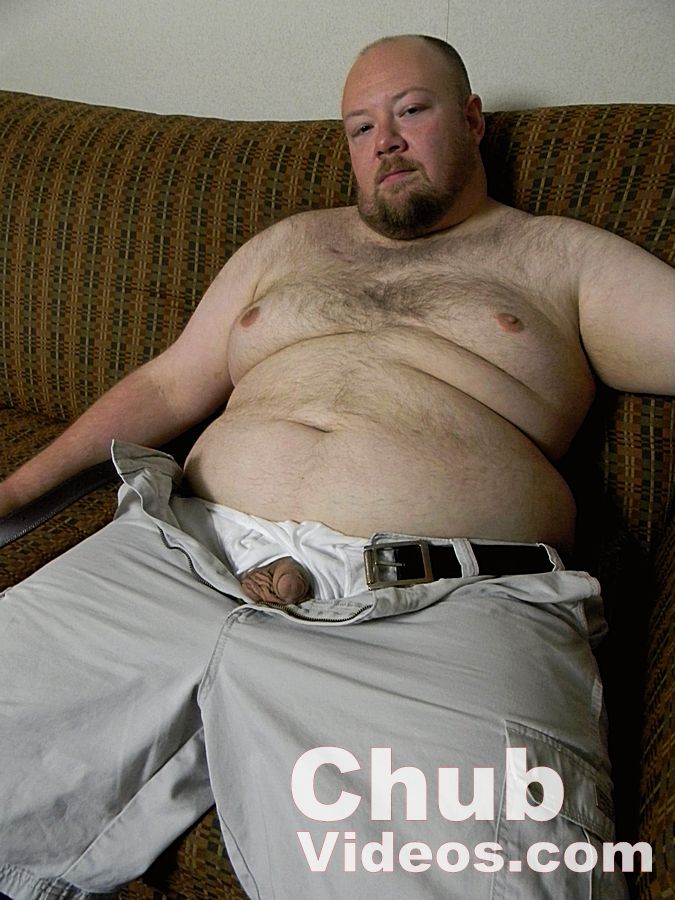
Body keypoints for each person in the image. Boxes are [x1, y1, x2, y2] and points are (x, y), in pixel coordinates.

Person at [0, 33, 672, 900]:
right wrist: (14, 491)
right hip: (182, 554)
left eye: (411, 111)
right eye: (360, 126)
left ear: (471, 120)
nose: (385, 141)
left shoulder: (557, 257)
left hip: (433, 607)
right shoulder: (287, 245)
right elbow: (167, 383)